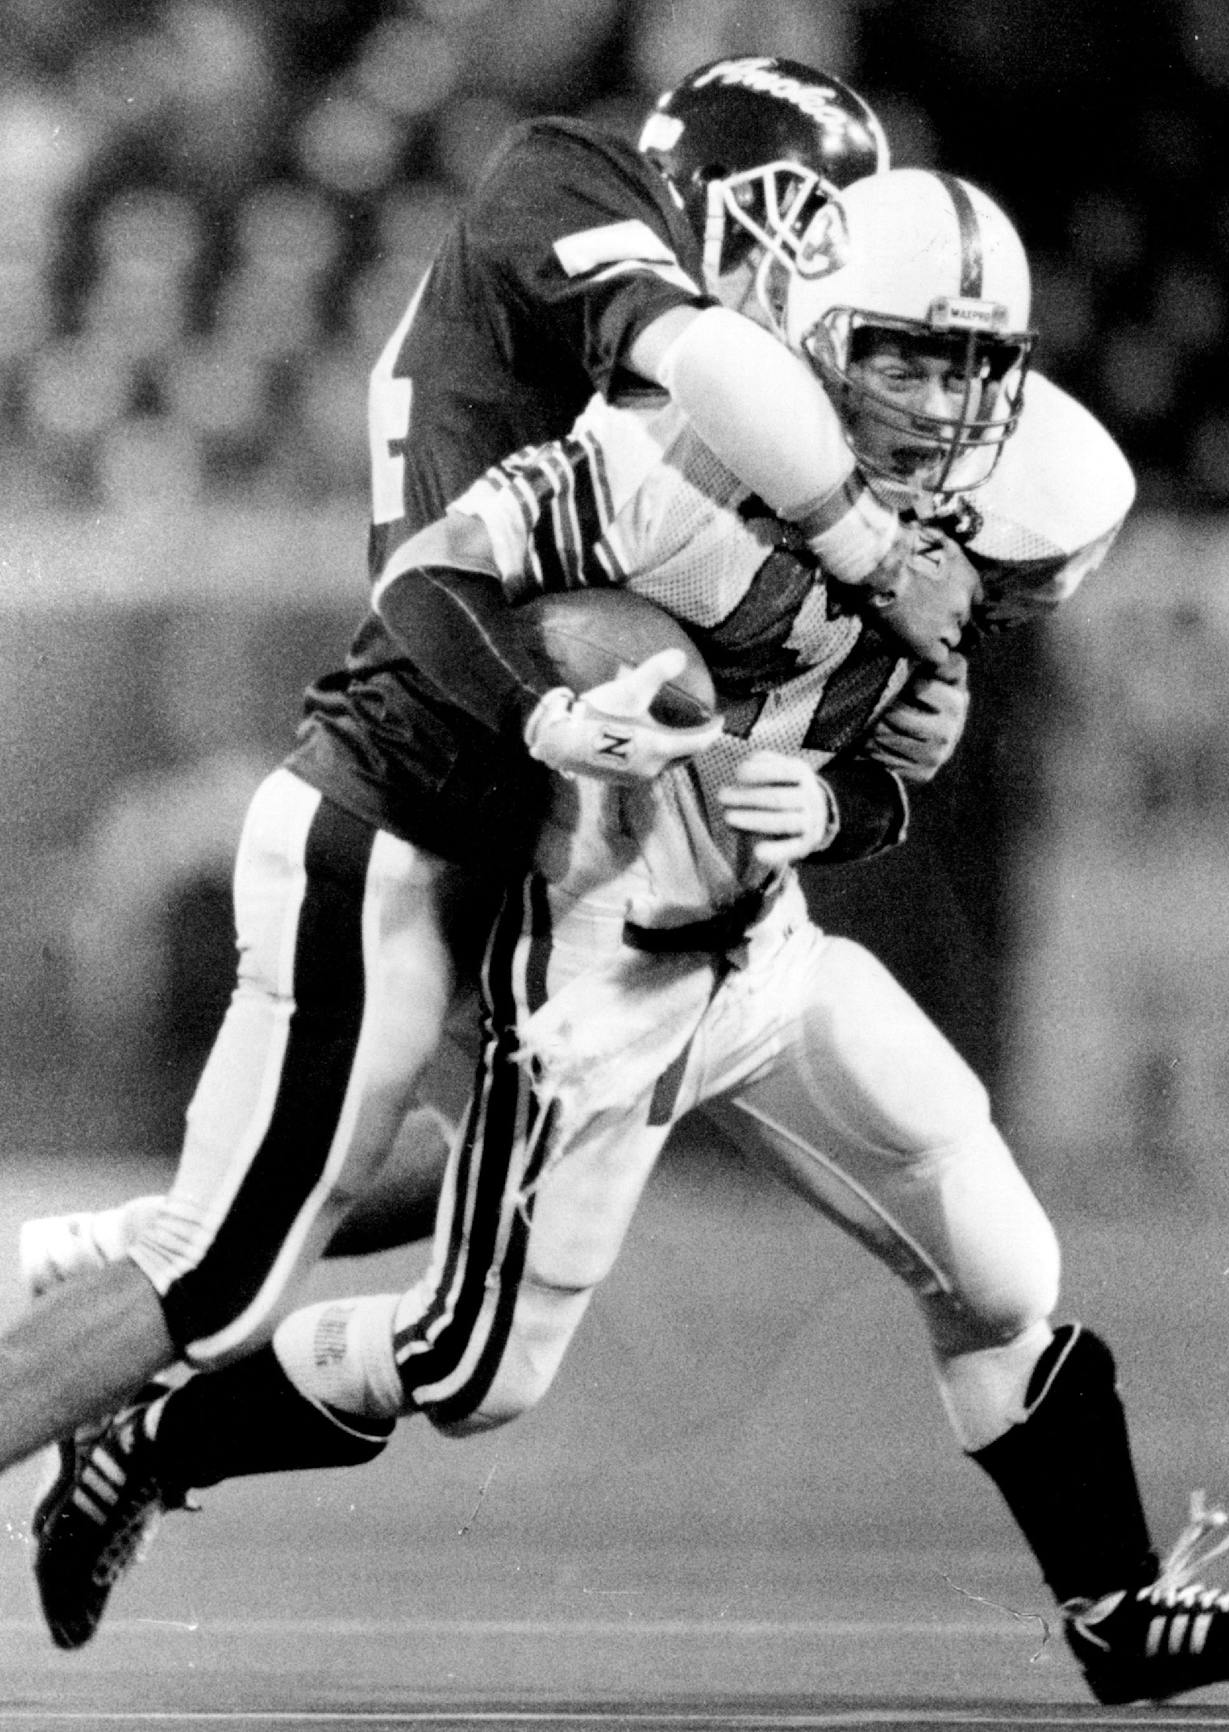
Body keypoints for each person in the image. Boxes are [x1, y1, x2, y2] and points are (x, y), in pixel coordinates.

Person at [28, 167, 1229, 1708]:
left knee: (998, 1264)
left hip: (764, 949)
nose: (937, 399)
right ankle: (144, 1441)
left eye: (970, 364)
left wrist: (836, 814)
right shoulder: (676, 457)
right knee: (474, 1373)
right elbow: (431, 578)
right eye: (904, 353)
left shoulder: (1017, 500)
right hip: (598, 960)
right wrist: (552, 707)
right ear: (812, 330)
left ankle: (1117, 1610)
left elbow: (895, 761)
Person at [0, 54, 977, 1466]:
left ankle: (114, 1248)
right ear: (726, 187)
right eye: (809, 218)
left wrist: (898, 707)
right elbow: (692, 389)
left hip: (500, 798)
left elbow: (710, 597)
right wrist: (876, 558)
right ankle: (144, 1263)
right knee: (217, 1282)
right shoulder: (575, 184)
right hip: (412, 771)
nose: (821, 265)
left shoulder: (698, 428)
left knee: (457, 1151)